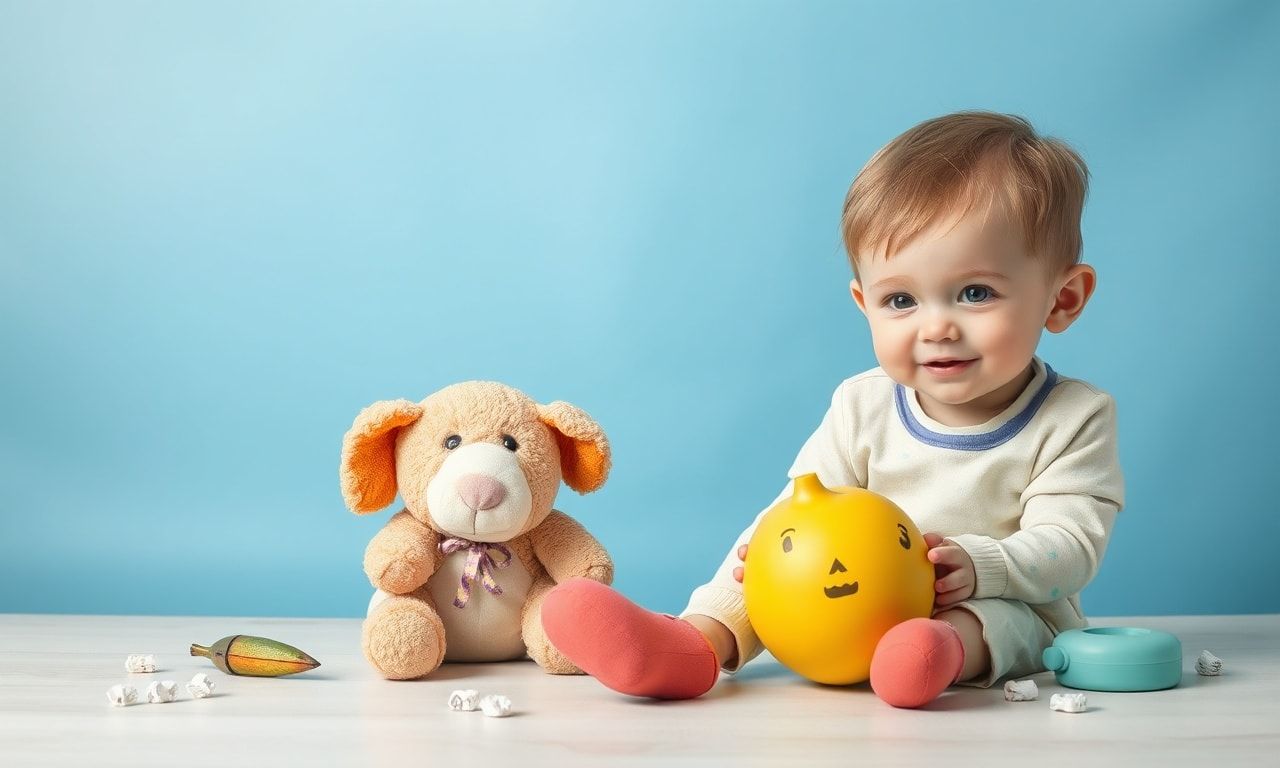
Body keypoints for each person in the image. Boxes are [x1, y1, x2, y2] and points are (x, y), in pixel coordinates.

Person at [541, 111, 1125, 708]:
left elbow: (1069, 548)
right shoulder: (863, 403)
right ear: (864, 304)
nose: (937, 327)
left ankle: (932, 654)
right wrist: (771, 556)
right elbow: (801, 503)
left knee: (998, 622)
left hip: (993, 599)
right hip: (844, 602)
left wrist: (983, 566)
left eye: (976, 293)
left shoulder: (1072, 417)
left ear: (1063, 298)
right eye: (900, 300)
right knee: (777, 565)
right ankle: (693, 645)